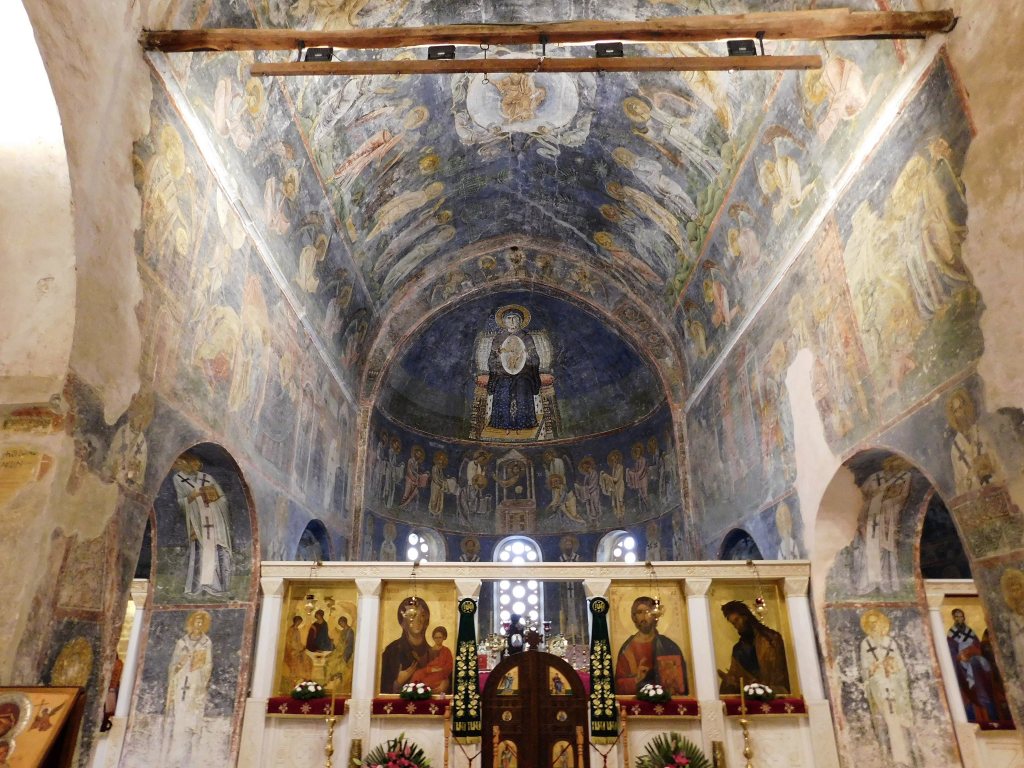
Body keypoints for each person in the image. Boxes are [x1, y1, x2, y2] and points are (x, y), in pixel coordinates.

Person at [859, 609, 918, 767]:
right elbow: (865, 668)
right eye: (870, 623)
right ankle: (892, 758)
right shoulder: (866, 644)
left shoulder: (890, 643)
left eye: (876, 622)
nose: (874, 626)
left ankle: (904, 758)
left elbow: (900, 667)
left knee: (897, 720)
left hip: (894, 684)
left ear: (881, 624)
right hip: (878, 685)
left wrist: (892, 668)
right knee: (887, 720)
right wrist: (874, 668)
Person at [172, 453, 232, 597]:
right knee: (200, 551)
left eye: (180, 462)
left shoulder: (207, 478)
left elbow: (223, 498)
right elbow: (180, 502)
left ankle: (219, 586)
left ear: (190, 462)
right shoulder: (178, 478)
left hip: (215, 520)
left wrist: (214, 499)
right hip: (197, 521)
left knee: (218, 550)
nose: (177, 466)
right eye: (177, 463)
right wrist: (191, 497)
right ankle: (200, 586)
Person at [163, 610, 213, 766]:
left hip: (196, 682)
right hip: (181, 682)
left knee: (193, 719)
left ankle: (191, 754)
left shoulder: (206, 643)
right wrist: (179, 665)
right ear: (192, 622)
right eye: (196, 621)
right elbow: (173, 664)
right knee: (179, 716)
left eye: (201, 621)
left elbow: (208, 664)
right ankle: (174, 756)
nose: (199, 624)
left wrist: (201, 672)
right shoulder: (182, 642)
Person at [484, 305, 542, 431]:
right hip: (502, 373)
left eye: (515, 318)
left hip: (524, 373)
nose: (512, 321)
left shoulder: (526, 337)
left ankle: (524, 422)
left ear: (520, 321)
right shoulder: (499, 338)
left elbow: (535, 359)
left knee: (523, 385)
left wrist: (528, 357)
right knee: (503, 386)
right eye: (508, 318)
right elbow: (491, 359)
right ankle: (501, 423)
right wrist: (498, 358)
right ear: (504, 322)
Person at [615, 596, 687, 695]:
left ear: (655, 616)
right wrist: (636, 679)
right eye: (639, 612)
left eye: (648, 611)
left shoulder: (668, 646)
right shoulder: (627, 649)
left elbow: (680, 684)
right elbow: (618, 685)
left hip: (664, 701)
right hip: (636, 702)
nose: (644, 616)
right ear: (634, 617)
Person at [718, 601, 790, 694]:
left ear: (745, 616)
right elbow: (736, 676)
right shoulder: (738, 650)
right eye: (733, 623)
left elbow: (780, 672)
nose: (736, 626)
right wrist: (729, 679)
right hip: (750, 695)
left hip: (774, 694)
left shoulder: (770, 639)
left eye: (737, 620)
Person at [946, 608, 998, 723]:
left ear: (964, 617)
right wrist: (960, 657)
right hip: (962, 669)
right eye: (956, 617)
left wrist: (973, 652)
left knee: (983, 688)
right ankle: (972, 718)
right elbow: (951, 652)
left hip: (977, 667)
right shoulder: (951, 634)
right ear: (953, 618)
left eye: (961, 616)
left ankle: (991, 716)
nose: (959, 619)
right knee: (967, 691)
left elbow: (978, 646)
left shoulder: (970, 632)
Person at [380, 597, 432, 694]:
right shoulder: (392, 652)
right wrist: (398, 682)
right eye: (412, 615)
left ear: (427, 621)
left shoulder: (433, 653)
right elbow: (382, 687)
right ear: (402, 622)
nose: (418, 620)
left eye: (422, 615)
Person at [412, 625, 453, 693]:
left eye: (440, 637)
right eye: (436, 637)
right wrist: (430, 669)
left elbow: (449, 665)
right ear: (433, 638)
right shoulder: (429, 651)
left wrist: (440, 669)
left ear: (444, 637)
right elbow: (423, 663)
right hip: (429, 672)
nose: (438, 639)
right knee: (417, 674)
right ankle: (415, 691)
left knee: (434, 680)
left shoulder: (446, 651)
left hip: (441, 673)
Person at [283, 615, 312, 686]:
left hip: (298, 649)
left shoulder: (297, 630)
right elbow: (291, 642)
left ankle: (305, 678)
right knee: (300, 660)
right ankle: (296, 679)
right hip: (292, 651)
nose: (299, 623)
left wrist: (303, 646)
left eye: (300, 622)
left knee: (308, 660)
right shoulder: (291, 630)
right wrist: (300, 648)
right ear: (296, 621)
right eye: (299, 622)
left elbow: (298, 641)